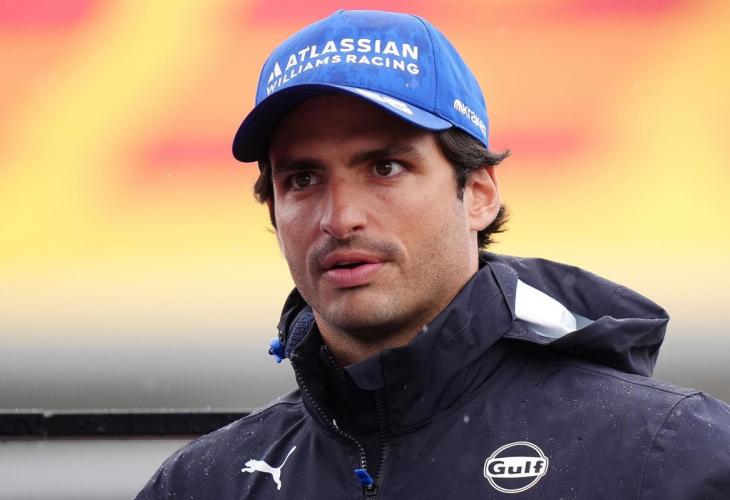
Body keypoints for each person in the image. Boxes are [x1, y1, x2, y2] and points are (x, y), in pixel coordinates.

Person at [137, 10, 730, 499]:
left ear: (479, 195)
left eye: (385, 167)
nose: (339, 218)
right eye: (302, 179)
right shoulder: (201, 484)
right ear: (273, 211)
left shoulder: (665, 453)